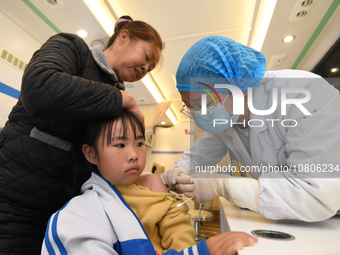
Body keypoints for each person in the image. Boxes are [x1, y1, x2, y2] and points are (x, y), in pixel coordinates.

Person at [0, 15, 164, 254]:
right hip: (16, 203)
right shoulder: (73, 49)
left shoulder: (116, 96)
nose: (144, 69)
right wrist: (123, 98)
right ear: (124, 37)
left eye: (149, 69)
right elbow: (39, 87)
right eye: (147, 58)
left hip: (67, 213)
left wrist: (144, 181)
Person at [160, 36, 340, 222]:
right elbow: (197, 156)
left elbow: (316, 196)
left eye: (204, 104)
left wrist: (223, 187)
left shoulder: (304, 93)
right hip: (290, 218)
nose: (199, 115)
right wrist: (180, 170)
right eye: (191, 108)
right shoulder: (226, 120)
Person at [42, 110, 258, 255]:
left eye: (139, 142)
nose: (134, 154)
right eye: (119, 145)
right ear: (91, 154)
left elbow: (179, 232)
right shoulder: (77, 216)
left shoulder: (153, 185)